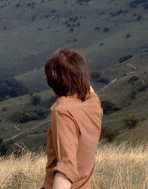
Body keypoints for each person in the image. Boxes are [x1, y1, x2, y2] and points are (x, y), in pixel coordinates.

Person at [41, 48, 103, 189]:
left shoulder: (63, 113)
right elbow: (88, 88)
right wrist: (74, 69)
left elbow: (66, 169)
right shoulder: (93, 104)